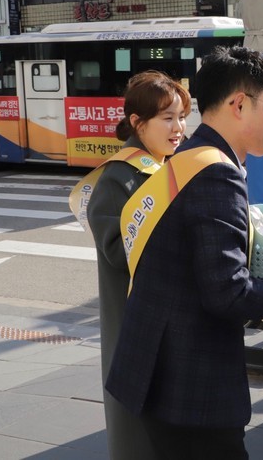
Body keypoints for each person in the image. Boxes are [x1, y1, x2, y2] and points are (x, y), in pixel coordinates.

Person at [105, 46, 263, 460]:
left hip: (163, 368)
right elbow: (226, 293)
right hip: (189, 386)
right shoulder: (216, 173)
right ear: (239, 104)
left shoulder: (190, 156)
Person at [79, 71, 190, 459]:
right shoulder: (120, 178)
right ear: (138, 123)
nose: (179, 128)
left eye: (181, 117)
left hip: (164, 327)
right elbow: (121, 252)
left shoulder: (164, 167)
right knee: (140, 438)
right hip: (136, 331)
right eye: (168, 119)